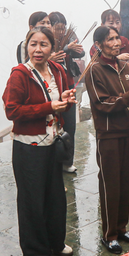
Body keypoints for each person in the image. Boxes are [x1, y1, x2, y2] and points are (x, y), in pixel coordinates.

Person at [3, 27, 76, 256]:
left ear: (52, 48)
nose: (37, 49)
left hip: (52, 142)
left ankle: (55, 242)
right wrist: (49, 106)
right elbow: (12, 111)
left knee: (55, 196)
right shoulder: (20, 74)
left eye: (44, 44)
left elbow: (60, 103)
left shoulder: (56, 69)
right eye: (33, 44)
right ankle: (34, 251)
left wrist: (65, 99)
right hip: (29, 146)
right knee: (32, 199)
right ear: (26, 46)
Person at [85, 26, 129, 255]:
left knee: (126, 182)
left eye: (117, 38)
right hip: (109, 135)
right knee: (110, 184)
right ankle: (109, 234)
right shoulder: (94, 70)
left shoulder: (125, 66)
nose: (117, 43)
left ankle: (122, 228)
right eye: (110, 39)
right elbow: (103, 104)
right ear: (99, 45)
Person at [48, 11, 85, 174]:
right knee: (53, 125)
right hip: (52, 87)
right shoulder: (45, 40)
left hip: (69, 85)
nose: (61, 32)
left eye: (63, 28)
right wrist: (64, 49)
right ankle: (53, 162)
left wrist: (71, 48)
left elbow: (81, 52)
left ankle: (68, 160)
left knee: (70, 126)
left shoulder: (69, 35)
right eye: (58, 28)